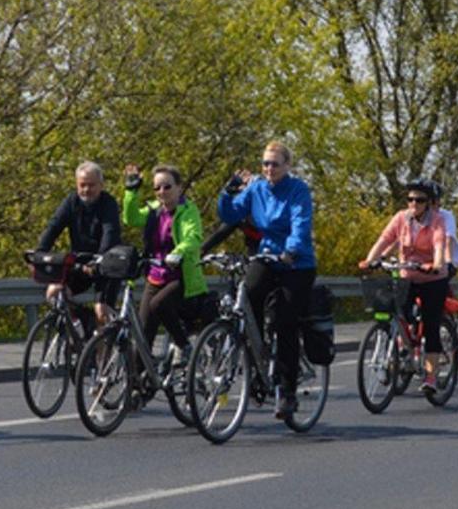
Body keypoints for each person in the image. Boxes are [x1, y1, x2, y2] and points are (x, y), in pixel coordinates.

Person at [218, 141, 316, 418]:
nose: (269, 168)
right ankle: (258, 368)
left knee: (285, 320)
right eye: (265, 163)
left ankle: (287, 392)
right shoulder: (257, 188)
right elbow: (231, 213)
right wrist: (228, 191)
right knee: (246, 302)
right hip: (267, 256)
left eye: (275, 163)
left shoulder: (298, 190)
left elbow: (300, 222)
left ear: (287, 166)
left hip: (296, 263)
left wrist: (292, 249)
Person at [361, 178, 448, 392]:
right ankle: (405, 351)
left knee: (431, 325)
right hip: (406, 276)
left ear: (428, 202)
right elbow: (385, 239)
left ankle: (430, 377)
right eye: (410, 199)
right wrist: (370, 259)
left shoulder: (437, 221)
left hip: (432, 278)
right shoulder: (401, 218)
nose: (414, 204)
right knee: (401, 314)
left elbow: (439, 244)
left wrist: (436, 264)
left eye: (419, 200)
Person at [123, 164, 207, 366]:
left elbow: (193, 237)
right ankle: (139, 387)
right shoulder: (153, 211)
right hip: (155, 275)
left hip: (180, 276)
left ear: (179, 187)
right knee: (142, 337)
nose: (162, 192)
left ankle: (183, 344)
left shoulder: (188, 210)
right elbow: (131, 218)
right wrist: (131, 191)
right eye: (157, 188)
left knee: (158, 304)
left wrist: (177, 253)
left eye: (167, 187)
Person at [36, 161, 121, 328]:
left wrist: (99, 259)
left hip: (104, 264)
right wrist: (40, 252)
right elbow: (54, 227)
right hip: (81, 263)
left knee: (101, 311)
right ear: (76, 184)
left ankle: (101, 349)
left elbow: (109, 233)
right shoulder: (71, 201)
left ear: (101, 185)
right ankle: (80, 323)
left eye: (92, 185)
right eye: (82, 185)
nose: (86, 190)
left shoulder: (108, 203)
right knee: (54, 293)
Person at [430, 180, 458, 278]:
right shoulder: (414, 216)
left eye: (436, 202)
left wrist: (448, 262)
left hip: (444, 261)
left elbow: (448, 240)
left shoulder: (446, 216)